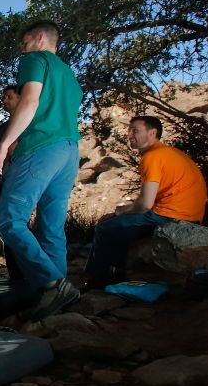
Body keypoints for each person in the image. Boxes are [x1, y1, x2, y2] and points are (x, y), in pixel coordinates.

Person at [0, 20, 83, 322]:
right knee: (51, 226)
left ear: (40, 37)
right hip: (69, 151)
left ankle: (52, 284)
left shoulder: (34, 60)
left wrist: (5, 144)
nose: (22, 47)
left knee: (8, 220)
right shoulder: (68, 74)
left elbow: (29, 102)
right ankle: (59, 298)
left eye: (25, 40)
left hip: (41, 146)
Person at [83, 116, 207, 290]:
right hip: (192, 216)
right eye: (129, 130)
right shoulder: (170, 152)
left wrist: (120, 211)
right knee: (121, 226)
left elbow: (145, 205)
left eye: (135, 130)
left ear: (152, 133)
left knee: (106, 227)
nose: (129, 135)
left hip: (172, 217)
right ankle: (116, 272)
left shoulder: (153, 156)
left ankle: (98, 279)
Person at [0, 86, 21, 280]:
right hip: (1, 181)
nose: (4, 101)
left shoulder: (32, 125)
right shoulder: (1, 128)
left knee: (16, 223)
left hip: (20, 181)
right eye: (3, 97)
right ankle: (14, 273)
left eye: (9, 97)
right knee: (4, 223)